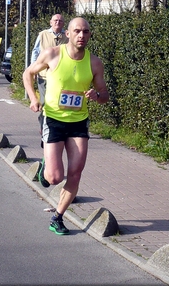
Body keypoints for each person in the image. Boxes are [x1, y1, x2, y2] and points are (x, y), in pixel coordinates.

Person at [23, 17, 109, 236]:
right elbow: (28, 73)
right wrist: (33, 98)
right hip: (53, 120)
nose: (82, 35)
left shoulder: (94, 63)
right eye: (77, 31)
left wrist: (96, 95)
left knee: (76, 173)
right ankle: (46, 165)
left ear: (90, 35)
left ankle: (57, 217)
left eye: (86, 32)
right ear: (68, 34)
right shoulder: (53, 54)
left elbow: (104, 95)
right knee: (54, 178)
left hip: (79, 122)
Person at [31, 14, 68, 105]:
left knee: (57, 102)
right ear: (51, 22)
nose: (58, 22)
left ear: (63, 24)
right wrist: (33, 69)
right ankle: (43, 118)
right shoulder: (43, 34)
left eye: (60, 21)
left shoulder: (67, 36)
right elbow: (35, 52)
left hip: (61, 75)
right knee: (44, 101)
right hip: (44, 75)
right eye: (55, 20)